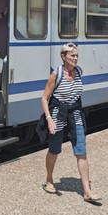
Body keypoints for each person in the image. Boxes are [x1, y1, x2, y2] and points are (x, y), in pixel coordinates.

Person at [40, 43, 101, 203]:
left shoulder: (79, 72)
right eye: (72, 55)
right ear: (63, 56)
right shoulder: (56, 74)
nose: (75, 58)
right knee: (54, 150)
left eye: (76, 55)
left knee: (81, 150)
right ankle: (49, 180)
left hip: (75, 113)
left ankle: (87, 191)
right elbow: (45, 98)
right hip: (58, 114)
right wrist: (49, 120)